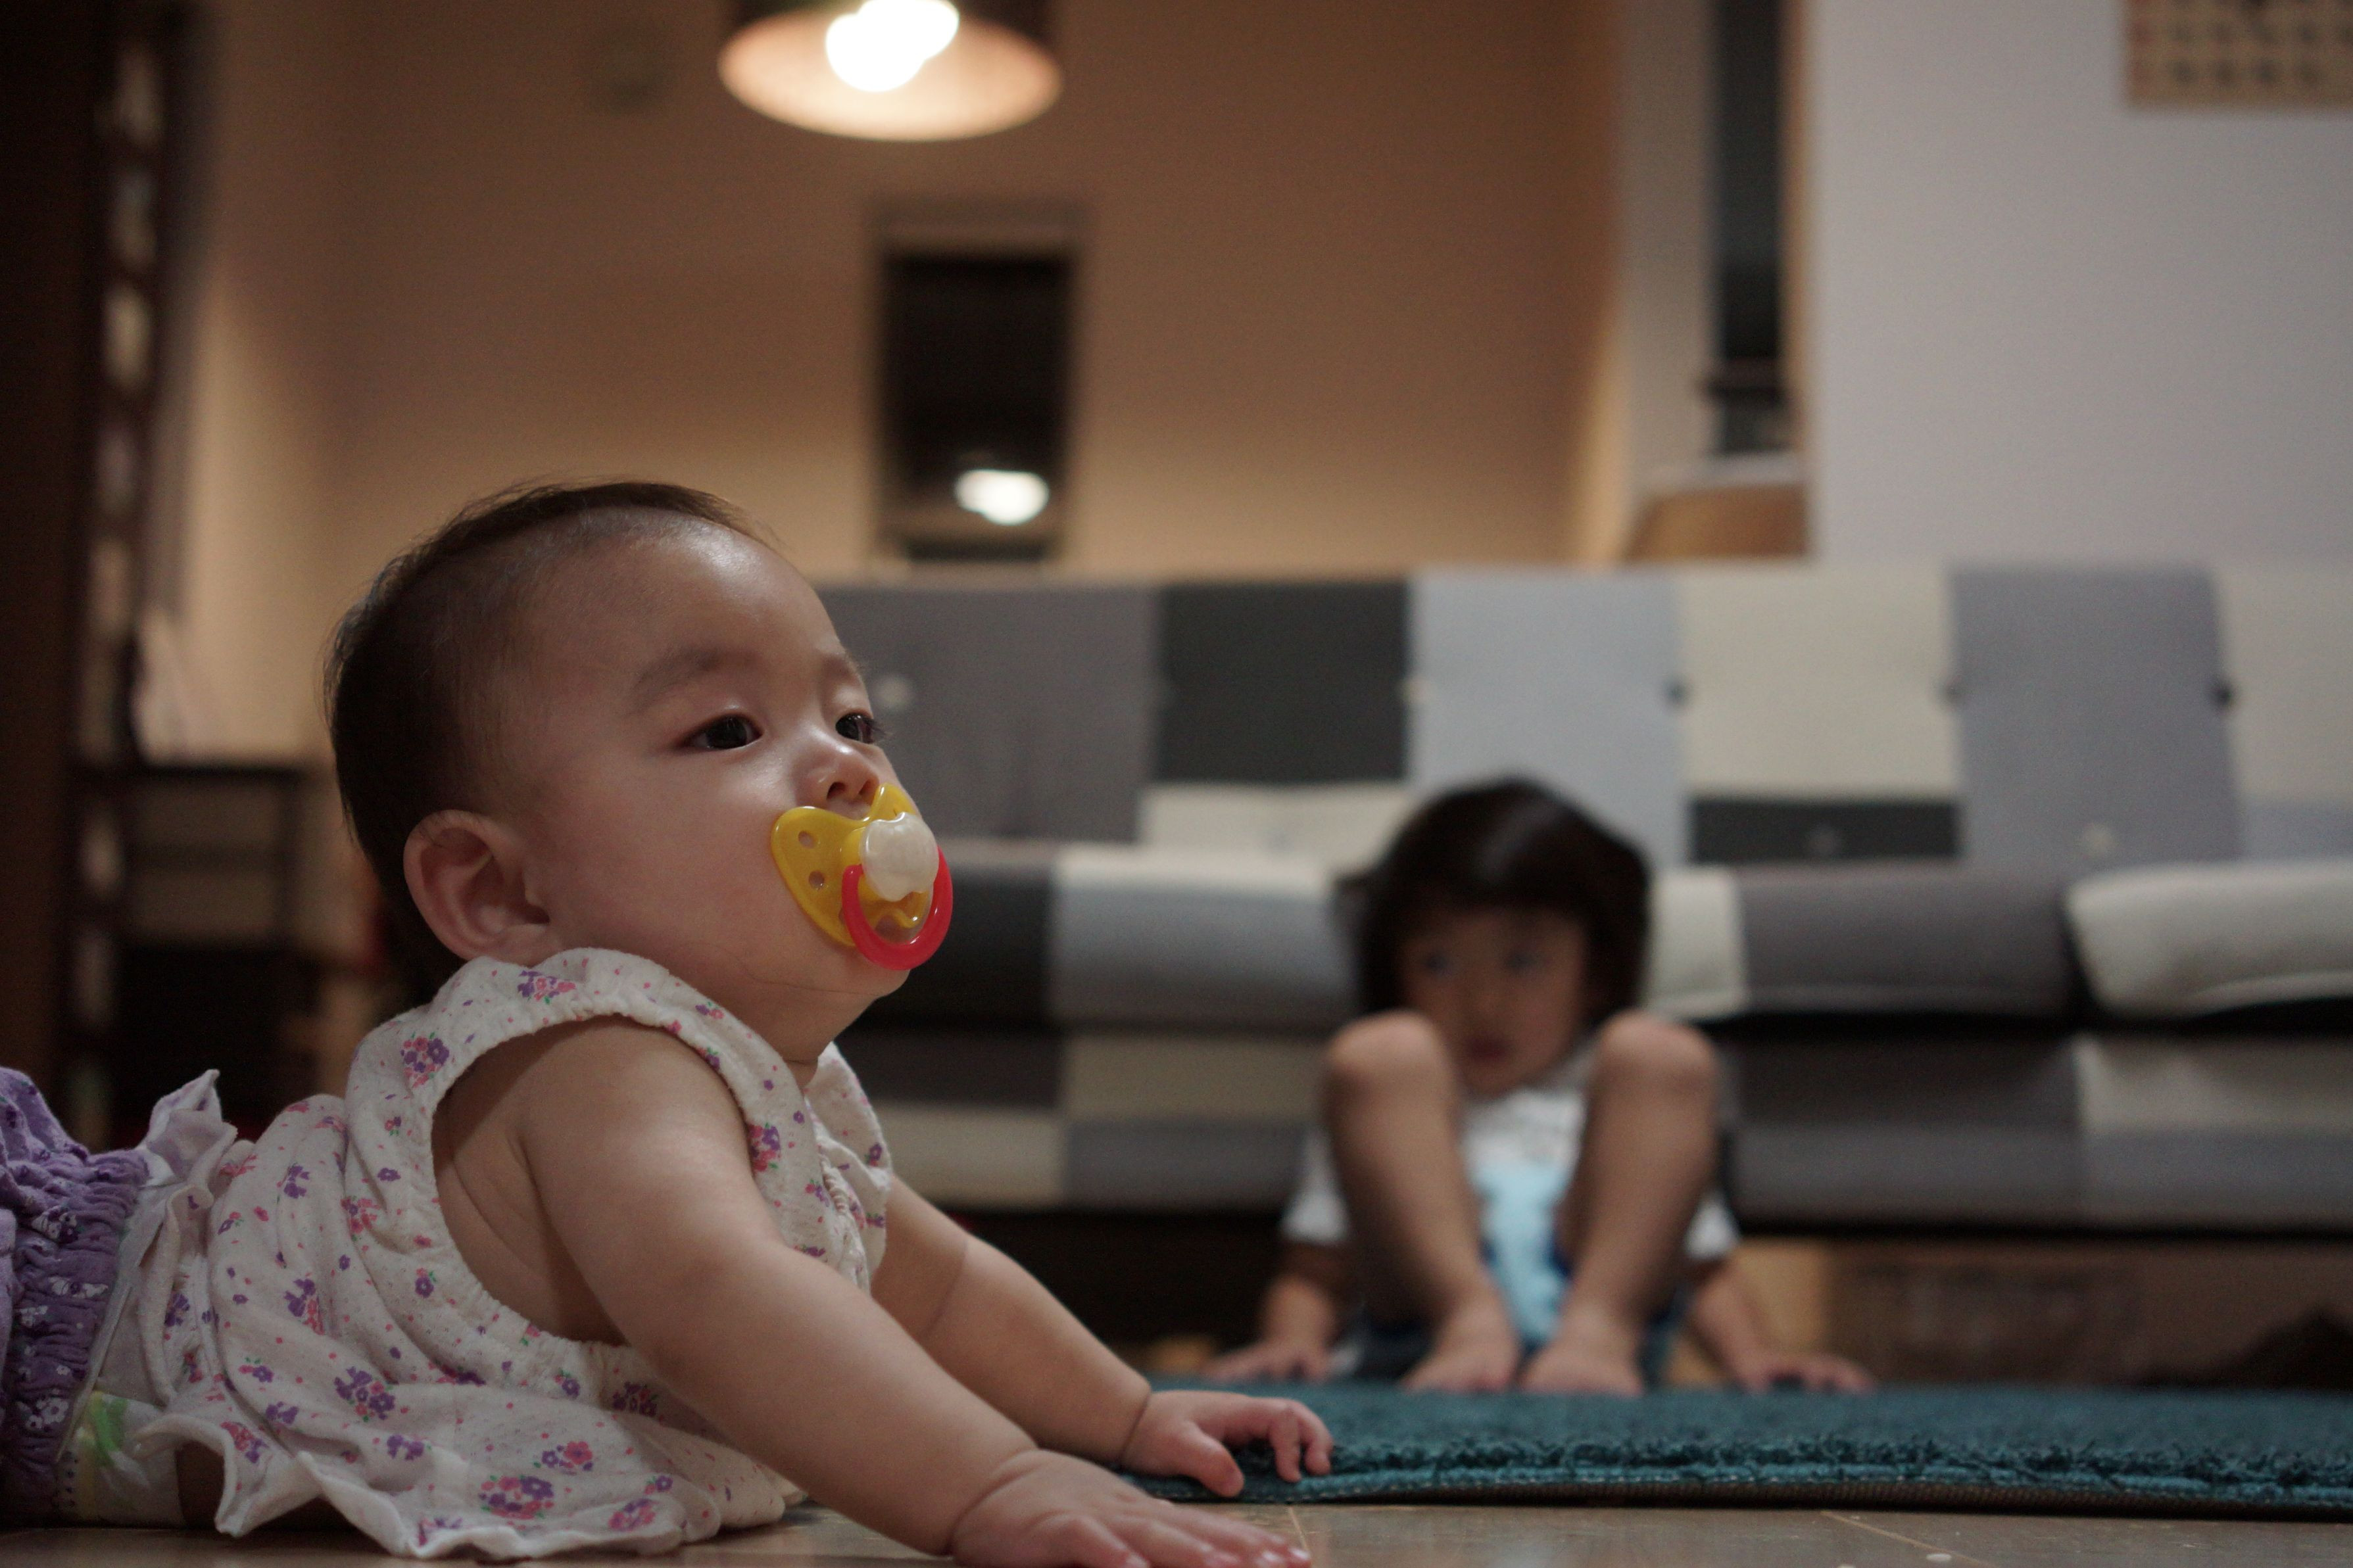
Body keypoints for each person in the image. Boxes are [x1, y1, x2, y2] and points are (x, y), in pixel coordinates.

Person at [5, 481, 1329, 1564]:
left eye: (852, 715)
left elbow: (946, 1289)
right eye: (729, 729)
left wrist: (1126, 1413)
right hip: (74, 1336)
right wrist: (992, 1481)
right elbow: (717, 1298)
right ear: (502, 890)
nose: (848, 767)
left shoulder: (768, 1091)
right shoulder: (595, 1050)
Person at [1205, 782, 1871, 1397]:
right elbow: (1315, 1270)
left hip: (1602, 1337)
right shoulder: (1389, 1092)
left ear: (1595, 973)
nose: (1483, 1003)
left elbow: (1701, 1266)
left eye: (1523, 961)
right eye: (1438, 962)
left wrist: (1753, 1358)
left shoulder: (1618, 1089)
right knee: (1378, 1054)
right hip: (1415, 1329)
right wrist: (1292, 1346)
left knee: (1661, 1054)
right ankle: (1465, 1317)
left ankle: (1597, 1329)